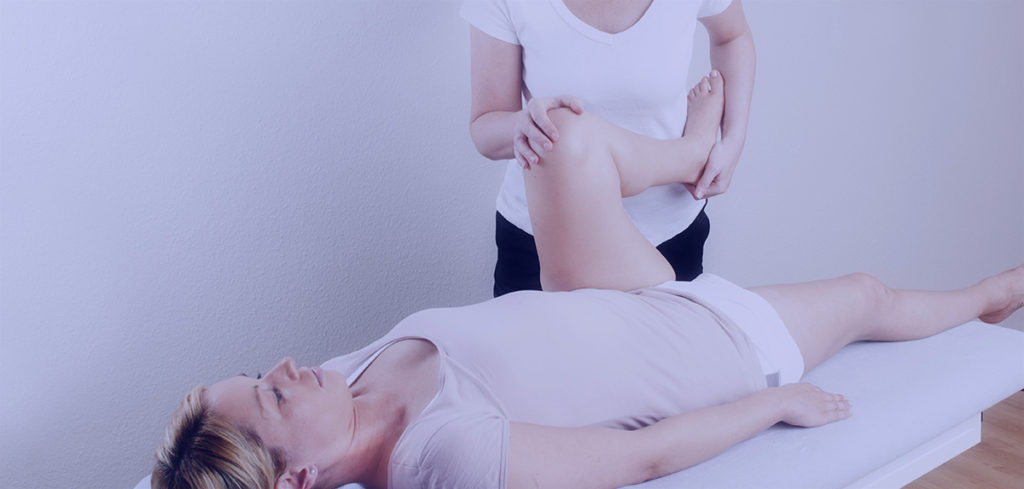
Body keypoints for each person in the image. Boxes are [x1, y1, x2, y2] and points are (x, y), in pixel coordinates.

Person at [151, 79, 1024, 489]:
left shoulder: (345, 381)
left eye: (264, 370)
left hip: (609, 297)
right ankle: (991, 298)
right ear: (299, 480)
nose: (289, 364)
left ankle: (690, 150)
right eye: (270, 392)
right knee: (867, 292)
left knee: (558, 135)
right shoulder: (442, 457)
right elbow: (640, 457)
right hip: (706, 347)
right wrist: (772, 406)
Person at [463, 0, 757, 296]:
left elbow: (732, 35)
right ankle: (690, 154)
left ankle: (691, 154)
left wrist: (734, 139)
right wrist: (523, 128)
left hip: (667, 229)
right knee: (562, 131)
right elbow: (485, 127)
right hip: (543, 237)